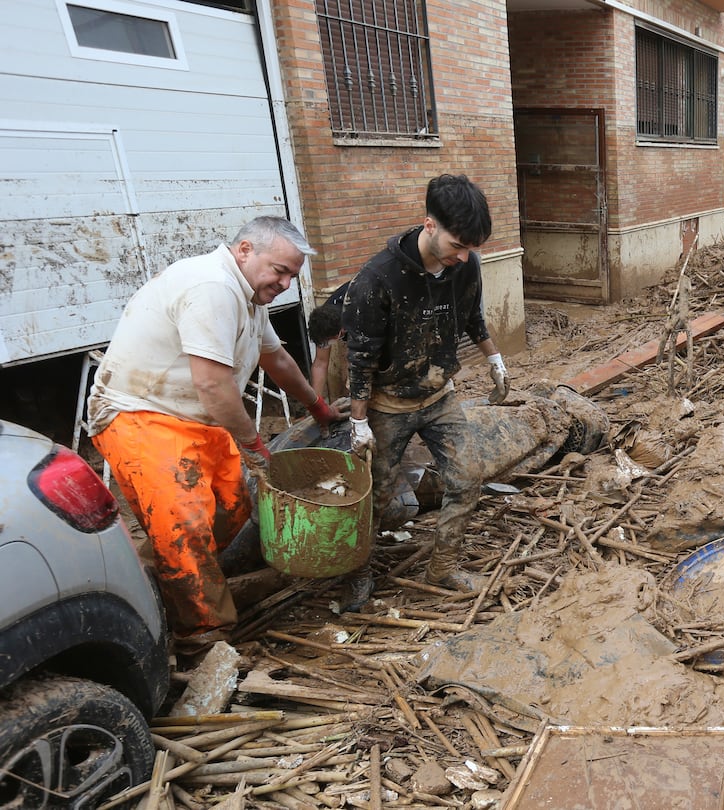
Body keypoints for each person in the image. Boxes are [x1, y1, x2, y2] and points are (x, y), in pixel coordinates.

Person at [87, 216, 340, 651]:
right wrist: (256, 448)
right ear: (244, 250)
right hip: (141, 413)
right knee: (185, 524)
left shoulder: (249, 296)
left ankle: (149, 581)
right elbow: (212, 385)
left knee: (232, 506)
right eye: (279, 270)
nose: (284, 283)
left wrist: (317, 408)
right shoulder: (213, 287)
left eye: (291, 276)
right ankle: (203, 635)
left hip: (197, 419)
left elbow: (275, 359)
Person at [341, 174, 508, 610]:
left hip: (438, 396)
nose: (464, 255)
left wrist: (494, 359)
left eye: (472, 247)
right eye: (458, 244)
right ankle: (357, 578)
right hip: (386, 404)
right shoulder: (376, 279)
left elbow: (472, 317)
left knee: (467, 478)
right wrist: (358, 423)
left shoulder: (464, 265)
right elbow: (359, 359)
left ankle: (444, 566)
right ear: (429, 225)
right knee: (375, 499)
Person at [307, 281, 350, 401]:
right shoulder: (323, 320)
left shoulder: (356, 313)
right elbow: (320, 363)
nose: (327, 344)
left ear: (341, 332)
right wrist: (315, 404)